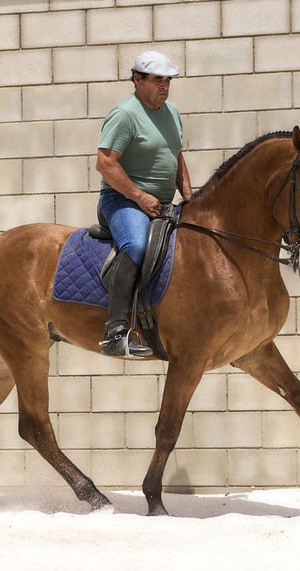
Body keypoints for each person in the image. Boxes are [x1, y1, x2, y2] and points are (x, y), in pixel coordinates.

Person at [96, 50, 193, 357]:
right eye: (156, 80)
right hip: (122, 201)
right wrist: (138, 195)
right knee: (137, 246)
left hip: (162, 203)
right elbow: (105, 164)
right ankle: (115, 332)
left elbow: (175, 156)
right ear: (137, 79)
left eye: (167, 80)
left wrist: (190, 197)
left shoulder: (172, 112)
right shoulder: (125, 114)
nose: (164, 86)